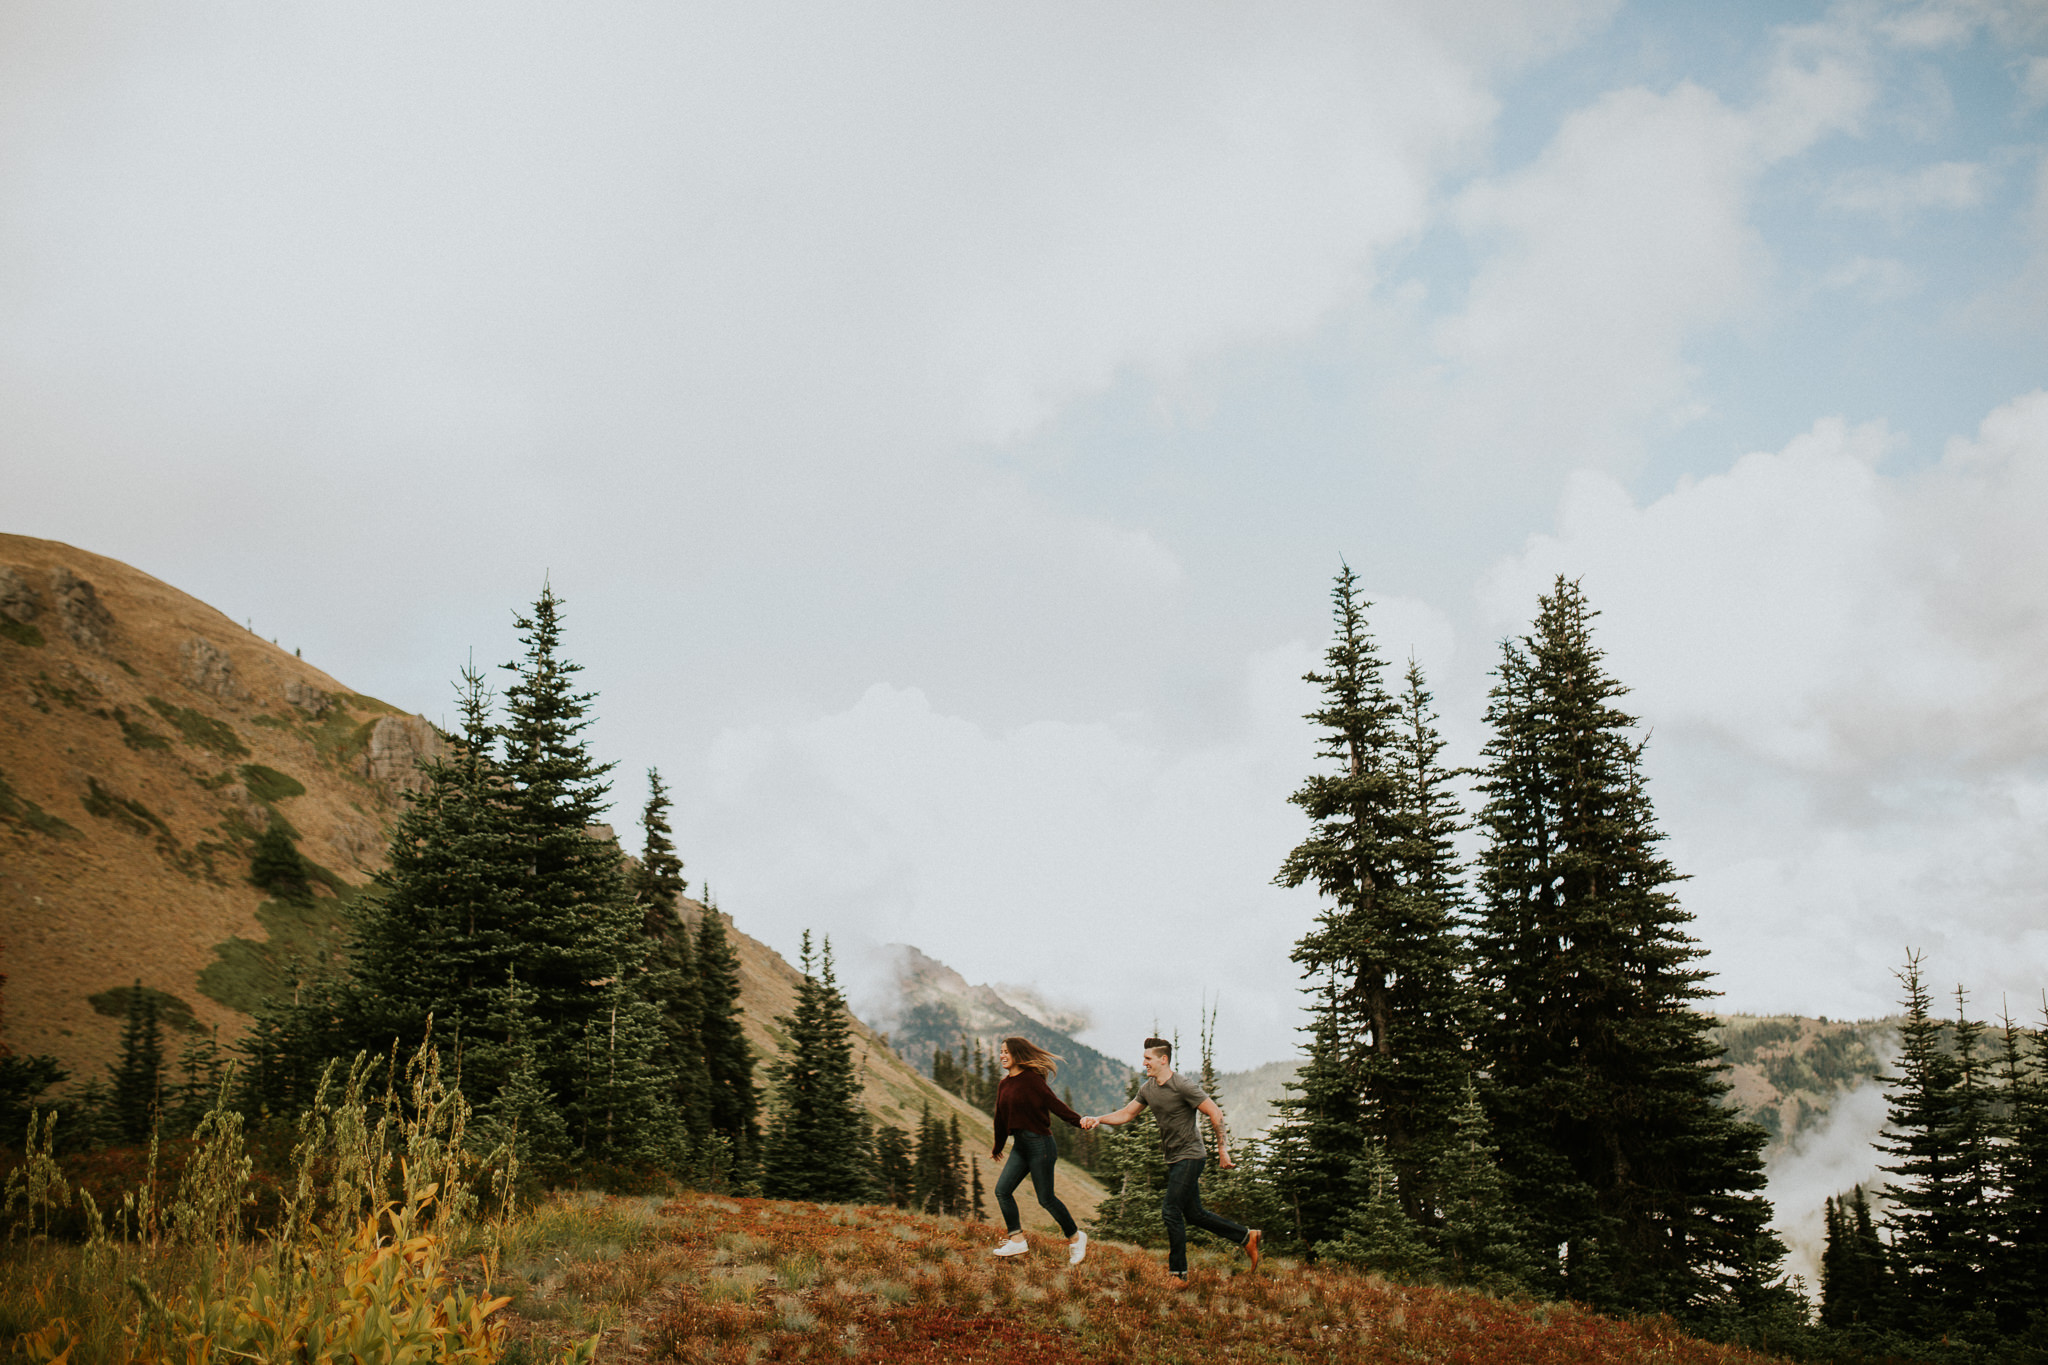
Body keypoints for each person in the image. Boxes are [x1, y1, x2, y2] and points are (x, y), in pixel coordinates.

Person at [1082, 1037, 1262, 1282]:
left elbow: (1214, 1112)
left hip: (1191, 1155)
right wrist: (1099, 1119)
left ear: (1163, 1059)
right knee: (1195, 1214)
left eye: (1148, 1058)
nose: (1143, 1062)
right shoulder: (1148, 1089)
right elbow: (1127, 1113)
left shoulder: (1182, 1085)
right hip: (1175, 1159)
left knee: (1170, 1210)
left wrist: (1223, 1149)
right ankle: (1246, 1236)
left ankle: (1178, 1274)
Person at [988, 1035, 1090, 1264]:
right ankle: (1017, 1240)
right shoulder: (1004, 1084)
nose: (1002, 1055)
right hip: (1021, 1147)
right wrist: (998, 1146)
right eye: (1001, 1052)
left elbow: (1055, 1104)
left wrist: (1079, 1121)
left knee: (1046, 1198)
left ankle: (1076, 1238)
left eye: (1007, 1052)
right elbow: (1000, 1118)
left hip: (1040, 1145)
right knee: (1002, 1190)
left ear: (1018, 1054)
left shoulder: (1032, 1080)